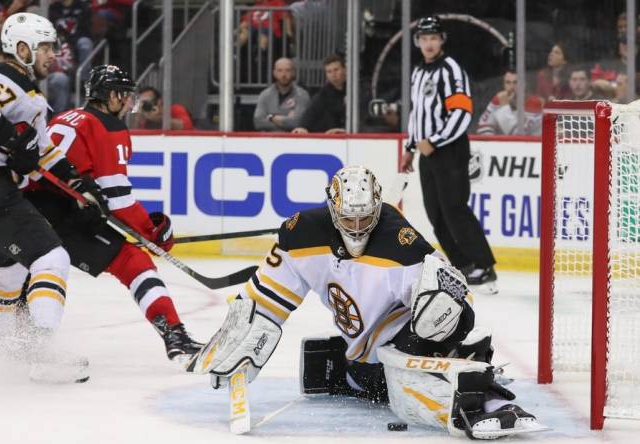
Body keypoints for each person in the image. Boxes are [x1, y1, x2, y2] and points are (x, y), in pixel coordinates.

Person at [186, 166, 546, 440]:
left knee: (467, 335)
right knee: (401, 382)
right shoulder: (301, 237)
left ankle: (489, 396)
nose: (357, 227)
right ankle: (477, 400)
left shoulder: (400, 243)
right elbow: (262, 302)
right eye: (348, 218)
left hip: (403, 344)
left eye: (364, 218)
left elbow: (455, 300)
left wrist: (449, 309)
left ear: (376, 210)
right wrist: (237, 345)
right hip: (367, 366)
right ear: (332, 207)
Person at [0, 65, 202, 366]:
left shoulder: (65, 116)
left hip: (21, 204)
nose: (128, 103)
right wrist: (152, 234)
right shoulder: (108, 127)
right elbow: (117, 198)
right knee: (133, 261)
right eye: (125, 96)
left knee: (22, 302)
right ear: (111, 96)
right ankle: (177, 338)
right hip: (59, 212)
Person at [0, 12, 105, 383]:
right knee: (52, 258)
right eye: (44, 47)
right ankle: (42, 351)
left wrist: (79, 185)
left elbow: (42, 151)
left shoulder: (31, 96)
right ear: (22, 48)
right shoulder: (2, 76)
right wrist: (15, 143)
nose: (52, 55)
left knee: (10, 271)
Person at [399, 16, 497, 293]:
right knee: (435, 214)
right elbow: (416, 115)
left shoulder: (451, 70)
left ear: (442, 40)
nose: (429, 43)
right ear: (419, 42)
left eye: (433, 38)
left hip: (449, 148)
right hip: (427, 150)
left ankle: (484, 267)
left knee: (454, 207)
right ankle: (464, 265)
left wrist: (436, 140)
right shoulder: (418, 72)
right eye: (424, 38)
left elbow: (462, 111)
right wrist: (410, 147)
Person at [476, 70, 543, 136]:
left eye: (515, 82)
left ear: (524, 85)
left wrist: (504, 107)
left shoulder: (534, 103)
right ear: (503, 85)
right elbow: (482, 129)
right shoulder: (499, 100)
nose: (511, 87)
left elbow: (519, 136)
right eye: (508, 83)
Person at [292, 54, 346, 134]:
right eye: (329, 72)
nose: (333, 75)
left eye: (336, 70)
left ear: (345, 70)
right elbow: (310, 112)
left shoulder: (358, 90)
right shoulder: (323, 94)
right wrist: (302, 127)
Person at [253, 57, 310, 132]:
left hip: (293, 140)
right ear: (274, 73)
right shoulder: (265, 94)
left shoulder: (302, 95)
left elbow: (298, 122)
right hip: (268, 140)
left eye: (288, 70)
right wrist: (283, 119)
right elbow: (258, 122)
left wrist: (270, 117)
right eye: (280, 70)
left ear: (293, 72)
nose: (283, 74)